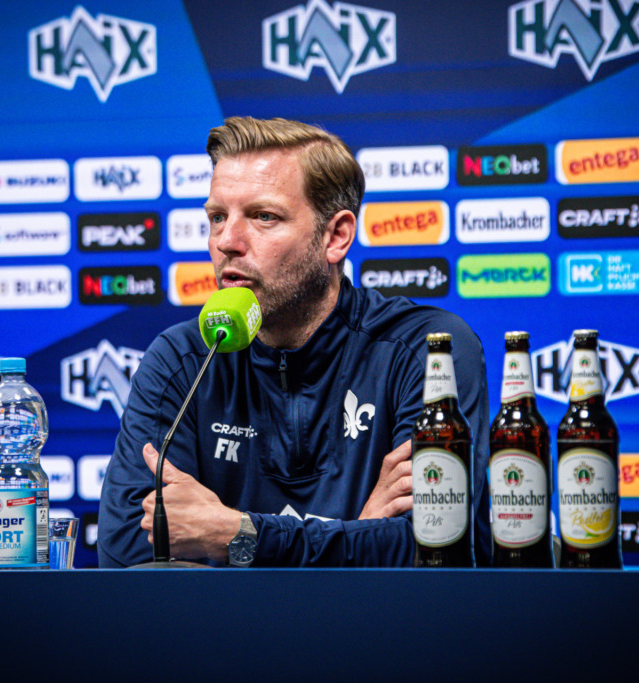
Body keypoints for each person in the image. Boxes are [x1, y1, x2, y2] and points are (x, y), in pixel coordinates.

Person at [98, 116, 490, 567]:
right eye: (217, 217)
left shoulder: (426, 350)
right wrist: (361, 532)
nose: (227, 241)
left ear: (335, 236)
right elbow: (128, 555)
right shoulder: (181, 361)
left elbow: (432, 548)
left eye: (263, 217)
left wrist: (236, 535)